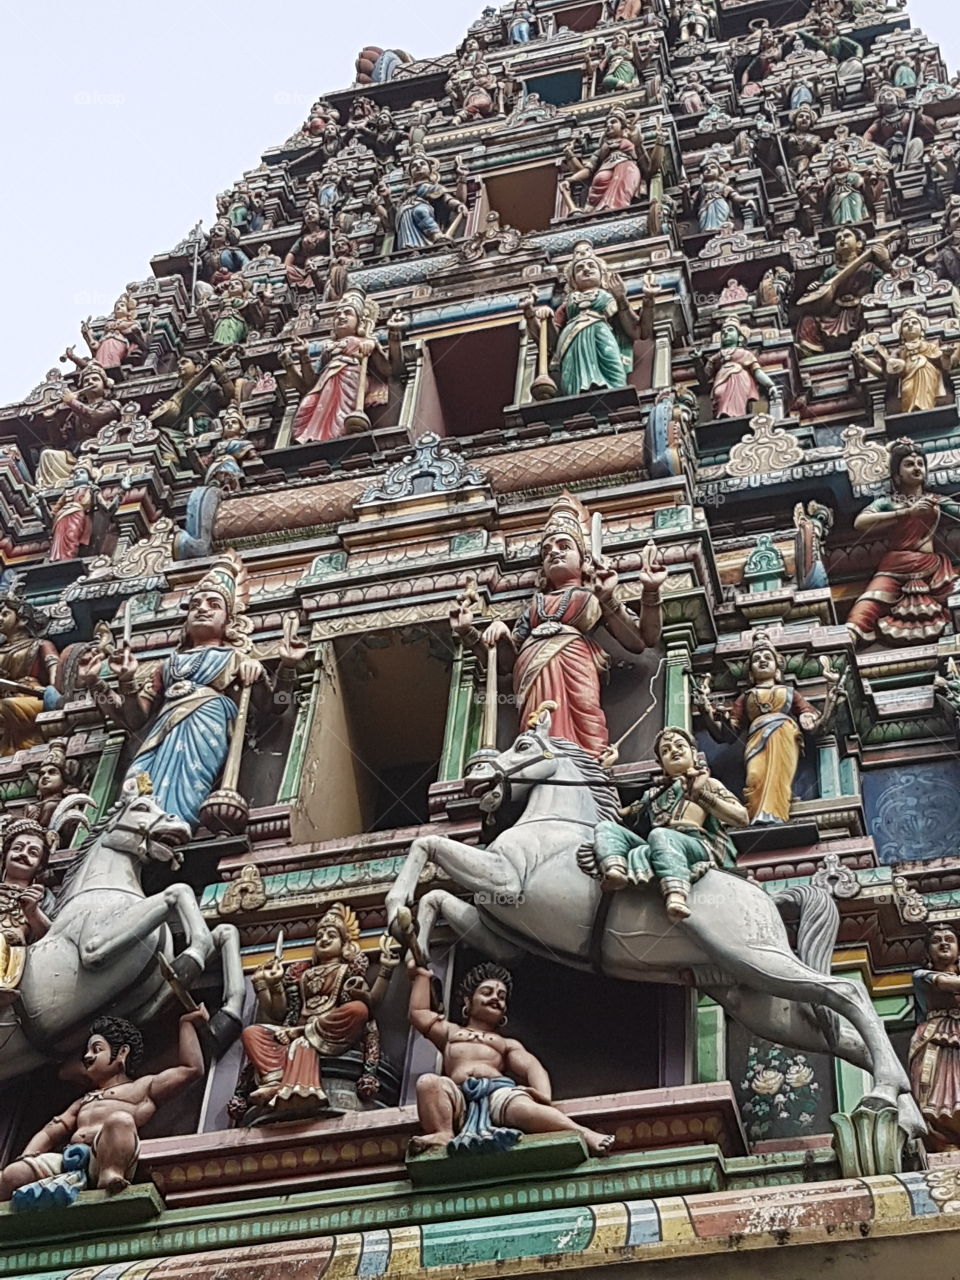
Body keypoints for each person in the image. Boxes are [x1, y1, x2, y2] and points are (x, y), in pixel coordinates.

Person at [75, 552, 304, 830]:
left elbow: (277, 705)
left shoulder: (236, 659)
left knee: (188, 791)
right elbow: (132, 719)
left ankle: (173, 827)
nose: (202, 608)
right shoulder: (169, 665)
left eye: (213, 604)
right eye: (195, 604)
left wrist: (286, 669)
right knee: (138, 787)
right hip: (161, 738)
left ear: (229, 621)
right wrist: (101, 683)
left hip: (205, 733)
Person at [450, 493, 664, 760]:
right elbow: (503, 664)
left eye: (564, 546)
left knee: (585, 720)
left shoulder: (592, 595)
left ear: (583, 559)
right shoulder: (534, 606)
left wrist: (648, 591)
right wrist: (470, 633)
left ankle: (589, 765)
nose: (554, 553)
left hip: (577, 665)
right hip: (533, 672)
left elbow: (641, 639)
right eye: (547, 550)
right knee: (538, 728)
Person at [407, 960, 614, 1156]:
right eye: (487, 992)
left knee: (524, 1109)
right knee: (428, 1083)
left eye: (501, 995)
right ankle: (443, 1132)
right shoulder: (449, 1032)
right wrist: (422, 977)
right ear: (468, 1002)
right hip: (458, 1096)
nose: (495, 998)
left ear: (504, 1011)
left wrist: (542, 1097)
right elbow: (418, 1013)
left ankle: (584, 1133)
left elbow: (533, 1066)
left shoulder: (505, 1043)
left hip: (497, 1092)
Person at [0, 1011, 207, 1205]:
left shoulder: (140, 1088)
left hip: (106, 1157)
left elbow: (191, 1069)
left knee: (120, 1120)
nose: (88, 1056)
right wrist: (28, 1155)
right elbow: (51, 1131)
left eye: (96, 1049)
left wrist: (186, 1024)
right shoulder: (84, 1100)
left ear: (122, 1053)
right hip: (70, 1159)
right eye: (87, 1051)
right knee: (13, 1174)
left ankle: (112, 1174)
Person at [240, 904, 398, 1117]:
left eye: (331, 935)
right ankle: (274, 1080)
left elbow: (371, 1003)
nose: (323, 939)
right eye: (319, 936)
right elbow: (281, 1013)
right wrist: (268, 984)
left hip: (330, 1032)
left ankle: (301, 1038)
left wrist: (385, 970)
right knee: (252, 1033)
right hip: (296, 1029)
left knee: (358, 1010)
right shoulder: (303, 974)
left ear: (344, 945)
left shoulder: (346, 970)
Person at [591, 727, 748, 921]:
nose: (673, 750)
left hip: (696, 845)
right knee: (606, 827)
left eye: (680, 746)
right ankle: (615, 871)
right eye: (665, 750)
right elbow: (618, 813)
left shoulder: (709, 784)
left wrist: (701, 796)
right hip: (660, 846)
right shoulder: (652, 795)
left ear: (693, 752)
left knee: (660, 835)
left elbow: (741, 818)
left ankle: (676, 894)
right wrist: (606, 771)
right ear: (661, 764)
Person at [697, 632, 839, 825]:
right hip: (756, 739)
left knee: (780, 775)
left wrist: (827, 697)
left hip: (784, 735)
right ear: (750, 672)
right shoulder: (746, 697)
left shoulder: (788, 693)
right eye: (756, 659)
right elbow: (728, 734)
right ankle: (757, 812)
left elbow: (811, 719)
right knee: (755, 776)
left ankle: (775, 813)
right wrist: (707, 711)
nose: (762, 661)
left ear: (778, 668)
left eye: (767, 658)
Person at [847, 439, 960, 646]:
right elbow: (860, 523)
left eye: (920, 464)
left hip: (932, 567)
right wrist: (907, 512)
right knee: (864, 607)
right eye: (909, 464)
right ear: (897, 475)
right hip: (894, 567)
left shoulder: (935, 500)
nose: (916, 468)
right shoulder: (888, 502)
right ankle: (845, 647)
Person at [282, 292, 405, 443]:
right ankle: (313, 437)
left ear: (360, 322)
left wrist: (392, 335)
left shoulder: (366, 341)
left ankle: (336, 438)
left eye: (348, 313)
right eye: (337, 314)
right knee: (308, 405)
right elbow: (310, 383)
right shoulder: (327, 347)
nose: (341, 317)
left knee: (340, 413)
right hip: (324, 383)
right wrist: (302, 356)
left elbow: (391, 370)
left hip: (350, 378)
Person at [522, 242, 641, 396]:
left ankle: (614, 391)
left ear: (603, 276)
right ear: (573, 281)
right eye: (579, 268)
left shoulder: (609, 297)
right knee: (573, 380)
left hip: (602, 335)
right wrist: (531, 313)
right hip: (572, 340)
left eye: (591, 266)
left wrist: (621, 298)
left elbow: (635, 330)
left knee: (614, 372)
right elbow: (549, 342)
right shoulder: (568, 304)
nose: (586, 269)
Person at [795, 226, 894, 355]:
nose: (842, 240)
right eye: (838, 239)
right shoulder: (830, 271)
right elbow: (821, 292)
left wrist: (885, 261)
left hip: (859, 310)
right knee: (807, 319)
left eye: (847, 236)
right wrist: (815, 287)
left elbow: (887, 284)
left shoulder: (869, 267)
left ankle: (866, 339)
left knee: (870, 310)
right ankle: (809, 348)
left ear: (859, 243)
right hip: (834, 312)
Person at [909, 923, 960, 1148]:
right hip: (936, 1035)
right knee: (933, 1096)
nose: (943, 943)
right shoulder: (922, 976)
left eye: (949, 938)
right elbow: (946, 983)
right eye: (936, 940)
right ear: (928, 952)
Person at [854, 311, 960, 414]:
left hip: (927, 373)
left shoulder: (930, 346)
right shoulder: (900, 351)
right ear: (902, 335)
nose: (910, 326)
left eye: (914, 323)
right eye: (905, 324)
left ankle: (925, 409)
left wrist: (946, 355)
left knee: (926, 392)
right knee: (908, 392)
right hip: (907, 377)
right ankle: (911, 412)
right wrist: (863, 359)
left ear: (922, 331)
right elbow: (886, 373)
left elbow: (946, 365)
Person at [561, 111, 664, 214]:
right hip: (600, 182)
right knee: (596, 211)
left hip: (625, 172)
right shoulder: (601, 150)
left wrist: (660, 140)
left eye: (613, 122)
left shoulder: (634, 143)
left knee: (619, 205)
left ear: (623, 126)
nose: (609, 126)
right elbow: (586, 171)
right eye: (607, 124)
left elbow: (650, 168)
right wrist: (570, 179)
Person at [0, 585, 60, 757]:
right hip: (6, 698)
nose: (0, 618)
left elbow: (55, 673)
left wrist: (52, 692)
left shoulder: (40, 645)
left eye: (5, 614)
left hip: (31, 698)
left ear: (22, 619)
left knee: (5, 707)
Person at [0, 818, 55, 1004]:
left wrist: (33, 913)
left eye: (33, 852)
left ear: (40, 865)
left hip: (11, 962)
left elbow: (53, 939)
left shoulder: (43, 898)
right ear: (5, 855)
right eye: (17, 848)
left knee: (10, 936)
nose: (23, 854)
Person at [698, 317, 782, 418]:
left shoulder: (745, 354)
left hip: (739, 378)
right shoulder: (717, 357)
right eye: (723, 332)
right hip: (721, 378)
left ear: (739, 337)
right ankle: (722, 415)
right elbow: (705, 376)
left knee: (737, 398)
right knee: (719, 393)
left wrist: (770, 385)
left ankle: (735, 416)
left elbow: (757, 372)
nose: (726, 333)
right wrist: (696, 360)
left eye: (730, 330)